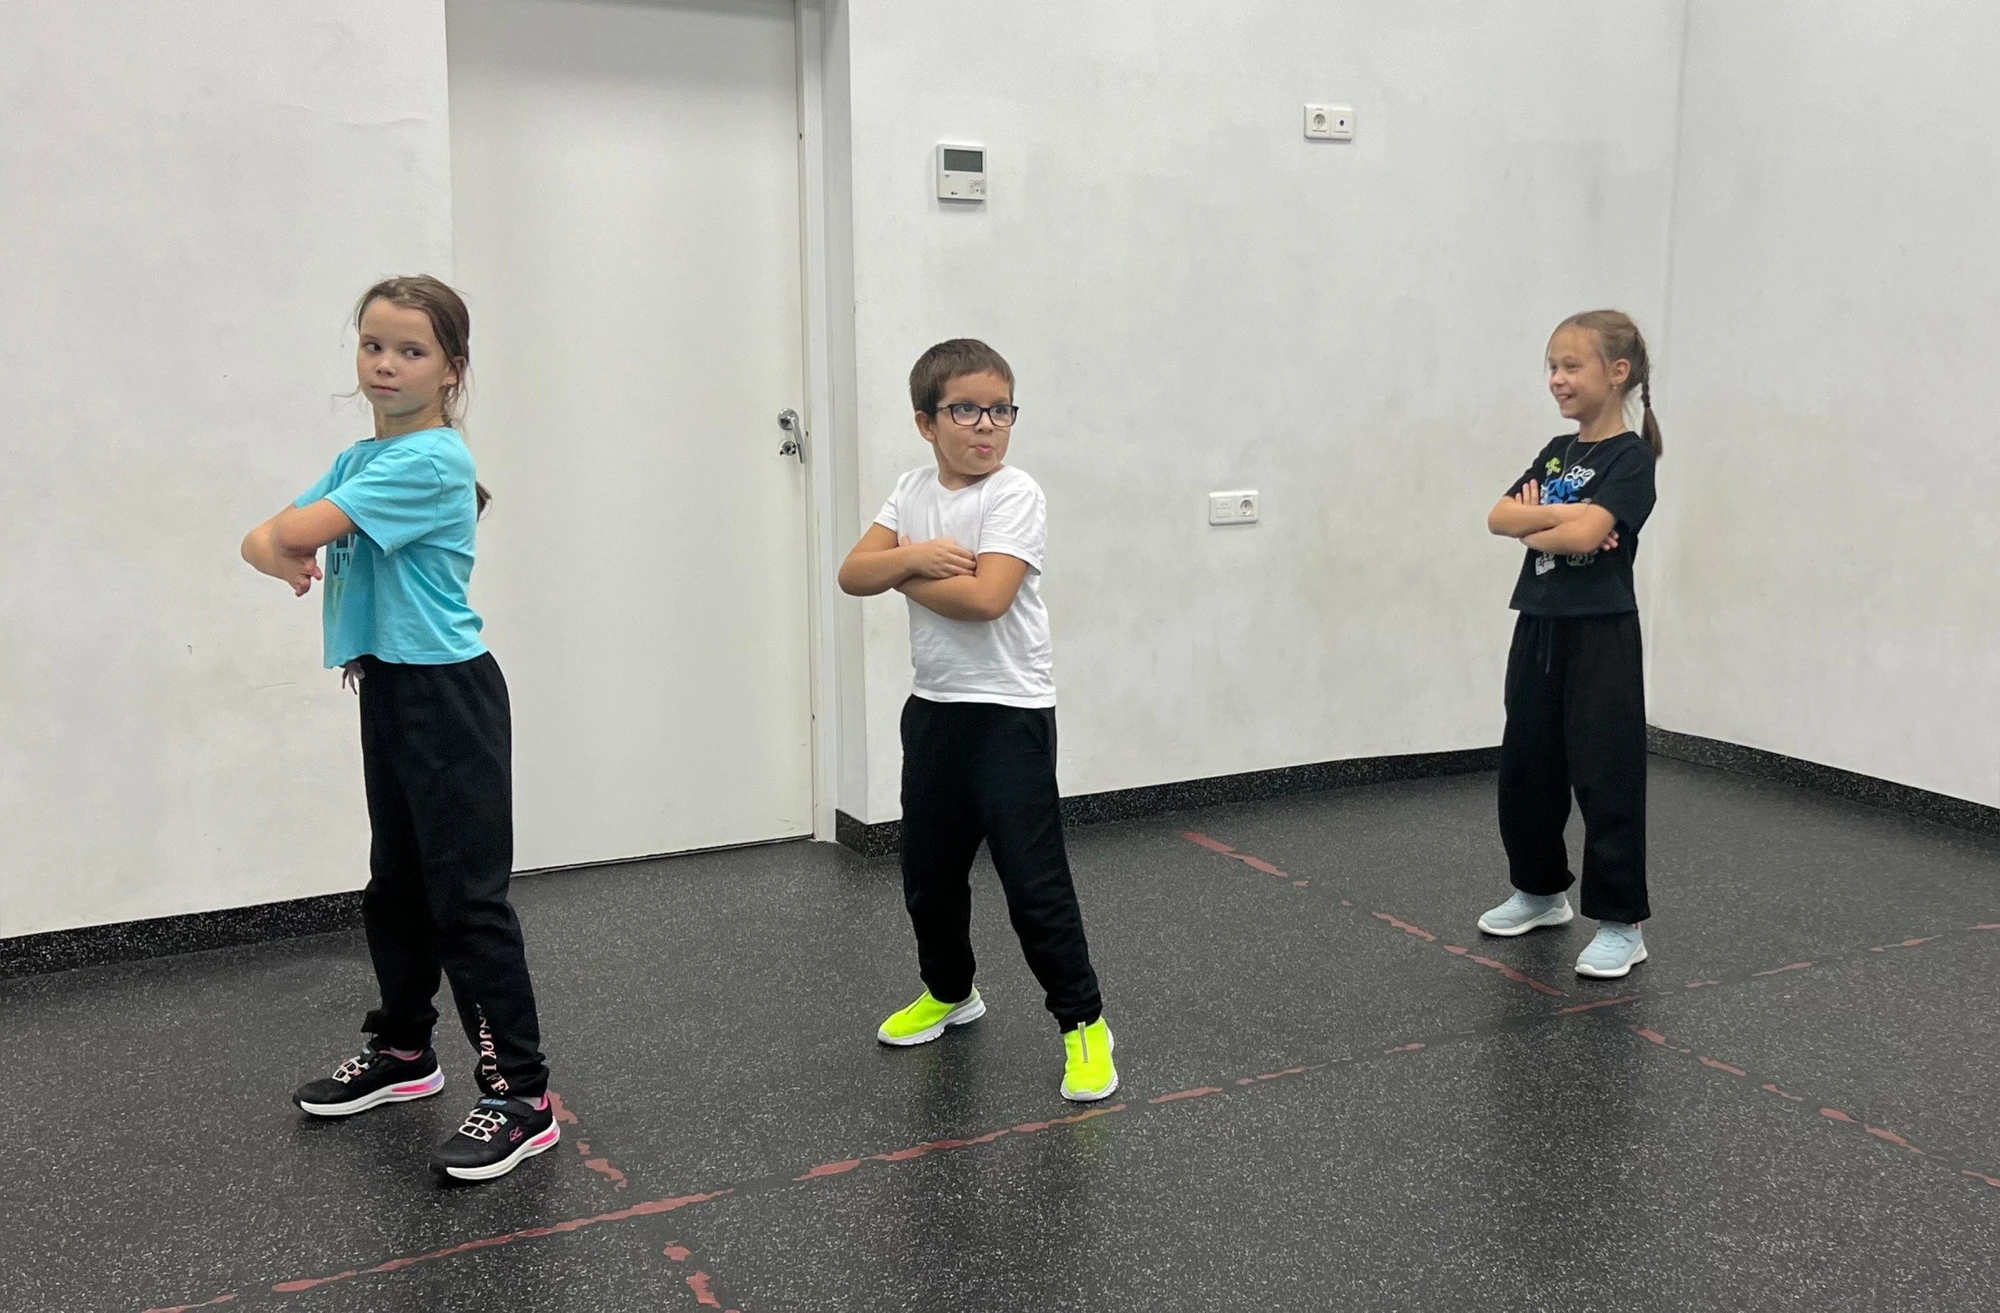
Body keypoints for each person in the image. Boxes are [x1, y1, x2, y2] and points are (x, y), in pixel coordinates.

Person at [239, 276, 558, 1181]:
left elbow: (291, 531)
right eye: (373, 345)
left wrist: (285, 541)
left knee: (467, 902)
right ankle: (405, 1050)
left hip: (446, 696)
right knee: (397, 888)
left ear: (451, 369)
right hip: (386, 685)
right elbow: (260, 540)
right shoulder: (361, 457)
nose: (386, 363)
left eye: (411, 350)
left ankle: (522, 1097)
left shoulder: (430, 462)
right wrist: (280, 543)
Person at [837, 339, 1118, 1101]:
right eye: (965, 409)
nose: (986, 425)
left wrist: (902, 570)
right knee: (928, 875)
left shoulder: (1014, 493)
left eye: (1000, 410)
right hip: (934, 711)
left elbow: (987, 598)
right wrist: (916, 557)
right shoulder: (910, 491)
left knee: (1033, 884)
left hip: (1008, 716)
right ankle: (952, 991)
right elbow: (852, 573)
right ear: (926, 422)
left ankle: (1084, 1023)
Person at [1478, 310, 1662, 980]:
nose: (1557, 379)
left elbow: (1583, 539)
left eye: (1571, 366)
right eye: (1552, 367)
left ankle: (1621, 924)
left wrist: (1540, 524)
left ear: (1617, 373)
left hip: (1602, 631)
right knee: (1527, 769)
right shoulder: (1558, 452)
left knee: (1606, 776)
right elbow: (1498, 516)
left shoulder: (1630, 458)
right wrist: (1562, 517)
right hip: (1539, 623)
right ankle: (1539, 891)